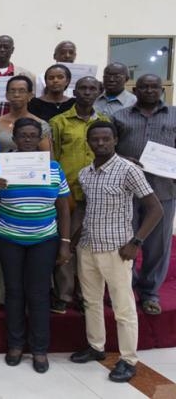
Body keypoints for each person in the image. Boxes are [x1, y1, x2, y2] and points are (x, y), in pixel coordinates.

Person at [71, 121, 163, 382]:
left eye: (105, 139)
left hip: (117, 249)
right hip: (88, 247)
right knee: (91, 301)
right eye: (95, 139)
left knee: (123, 308)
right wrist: (72, 242)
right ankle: (96, 347)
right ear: (89, 143)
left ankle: (128, 359)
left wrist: (136, 242)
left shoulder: (128, 170)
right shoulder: (85, 173)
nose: (100, 143)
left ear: (114, 141)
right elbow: (87, 210)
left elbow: (156, 209)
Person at [0, 118, 71, 374]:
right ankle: (15, 345)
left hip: (44, 238)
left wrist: (64, 243)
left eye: (33, 135)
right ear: (15, 139)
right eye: (23, 136)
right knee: (14, 291)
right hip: (9, 238)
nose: (28, 140)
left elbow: (63, 207)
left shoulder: (53, 168)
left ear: (40, 139)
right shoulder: (1, 167)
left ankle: (40, 348)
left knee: (39, 293)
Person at [0, 76, 51, 304]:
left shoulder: (40, 124)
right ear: (6, 94)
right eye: (13, 91)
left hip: (30, 194)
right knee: (3, 244)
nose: (17, 95)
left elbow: (46, 161)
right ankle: (1, 292)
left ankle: (31, 296)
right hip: (2, 189)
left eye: (22, 91)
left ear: (31, 94)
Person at [112, 74, 176, 315]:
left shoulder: (174, 114)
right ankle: (126, 288)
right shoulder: (119, 116)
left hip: (164, 189)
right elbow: (108, 148)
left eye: (154, 87)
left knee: (157, 245)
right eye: (144, 87)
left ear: (161, 90)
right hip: (126, 191)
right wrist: (122, 159)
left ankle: (150, 293)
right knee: (125, 240)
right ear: (135, 90)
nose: (149, 90)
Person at [48, 76, 110, 314]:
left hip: (98, 194)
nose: (86, 92)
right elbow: (52, 158)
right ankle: (63, 295)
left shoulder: (105, 121)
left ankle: (87, 296)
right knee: (65, 243)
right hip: (69, 195)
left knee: (91, 247)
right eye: (82, 88)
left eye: (92, 89)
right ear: (74, 91)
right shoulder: (58, 122)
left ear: (99, 92)